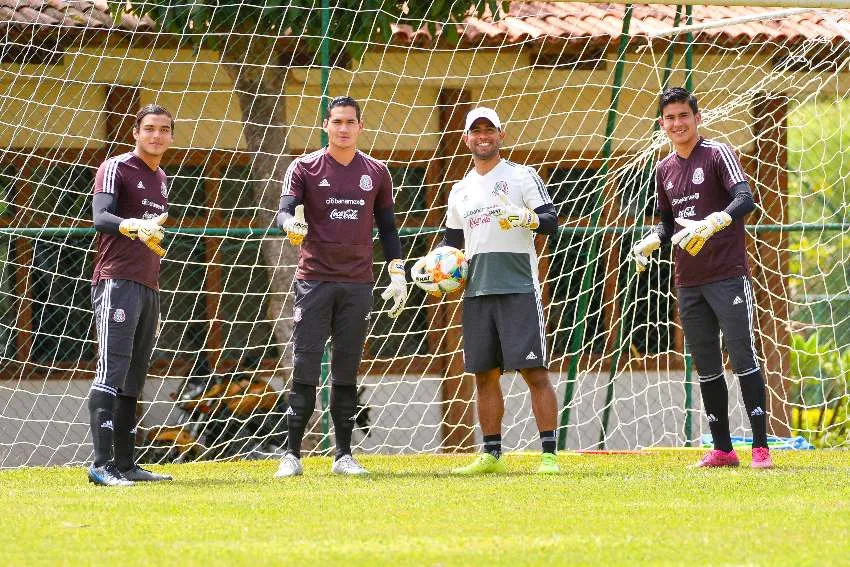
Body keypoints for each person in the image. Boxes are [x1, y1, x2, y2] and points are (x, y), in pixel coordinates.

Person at [631, 87, 773, 469]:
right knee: (707, 364)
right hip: (688, 281)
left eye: (683, 116)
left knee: (743, 357)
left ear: (697, 118)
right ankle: (724, 449)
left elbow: (745, 199)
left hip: (727, 275)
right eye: (670, 118)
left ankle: (761, 448)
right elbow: (667, 226)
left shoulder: (717, 154)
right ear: (662, 124)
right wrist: (647, 243)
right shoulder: (663, 169)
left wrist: (715, 221)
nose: (677, 123)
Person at [414, 107, 560, 474]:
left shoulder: (522, 176)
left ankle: (549, 455)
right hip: (477, 292)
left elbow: (551, 221)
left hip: (518, 288)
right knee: (484, 375)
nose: (483, 136)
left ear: (501, 134)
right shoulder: (460, 190)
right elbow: (451, 245)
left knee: (534, 373)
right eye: (475, 131)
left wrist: (528, 218)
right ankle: (491, 455)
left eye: (489, 130)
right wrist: (430, 271)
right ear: (466, 139)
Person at [274, 96, 406, 477]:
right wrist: (289, 224)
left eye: (350, 122)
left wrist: (396, 269)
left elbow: (387, 227)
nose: (343, 128)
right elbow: (285, 207)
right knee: (305, 365)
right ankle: (291, 455)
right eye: (337, 121)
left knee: (347, 369)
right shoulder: (304, 167)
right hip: (314, 280)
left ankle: (343, 456)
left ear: (360, 127)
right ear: (326, 126)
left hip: (357, 284)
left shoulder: (377, 172)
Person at [88, 104, 174, 485]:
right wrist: (132, 225)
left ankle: (125, 465)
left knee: (133, 380)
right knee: (111, 371)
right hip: (116, 282)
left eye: (164, 130)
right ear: (135, 133)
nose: (156, 136)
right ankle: (101, 466)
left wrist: (149, 236)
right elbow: (101, 217)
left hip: (148, 285)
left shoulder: (162, 177)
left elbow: (149, 232)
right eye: (150, 129)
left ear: (171, 137)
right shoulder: (116, 167)